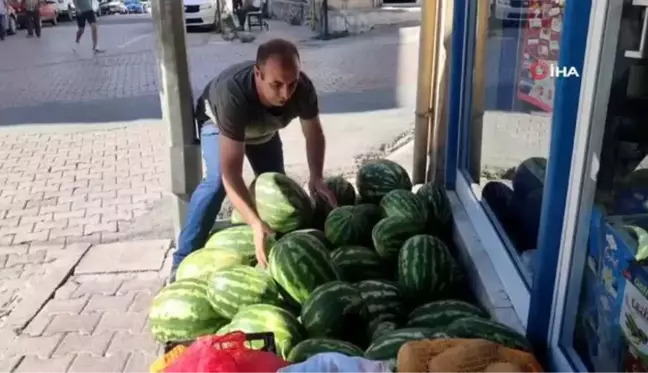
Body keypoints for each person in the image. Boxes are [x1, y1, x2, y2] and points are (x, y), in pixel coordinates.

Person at [170, 38, 337, 281]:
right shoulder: (233, 94)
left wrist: (317, 177)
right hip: (219, 123)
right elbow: (231, 173)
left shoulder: (303, 89)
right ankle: (181, 259)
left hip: (263, 130)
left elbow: (314, 134)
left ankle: (277, 258)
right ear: (258, 74)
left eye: (292, 84)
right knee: (216, 182)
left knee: (277, 194)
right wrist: (255, 223)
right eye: (276, 84)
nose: (285, 94)